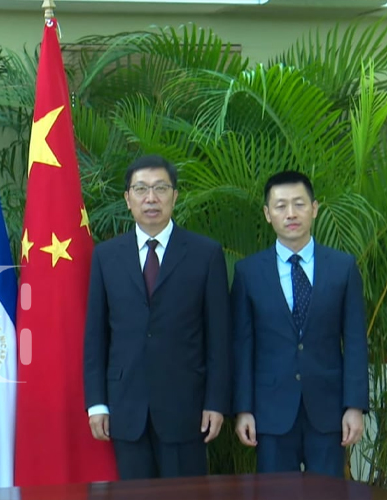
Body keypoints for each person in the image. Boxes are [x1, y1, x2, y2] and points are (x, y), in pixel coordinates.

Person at [83, 154, 231, 479]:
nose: (151, 198)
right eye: (141, 189)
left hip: (186, 409)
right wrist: (96, 403)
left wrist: (216, 402)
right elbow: (96, 337)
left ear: (175, 196)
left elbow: (219, 339)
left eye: (160, 188)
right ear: (127, 199)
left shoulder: (205, 255)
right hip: (125, 409)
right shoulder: (106, 257)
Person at [232, 171, 368, 478]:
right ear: (268, 214)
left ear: (315, 208)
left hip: (329, 410)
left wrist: (355, 406)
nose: (290, 214)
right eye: (280, 206)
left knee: (329, 493)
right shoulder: (248, 272)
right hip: (271, 411)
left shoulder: (343, 267)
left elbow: (356, 340)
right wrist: (244, 409)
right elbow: (242, 345)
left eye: (299, 204)